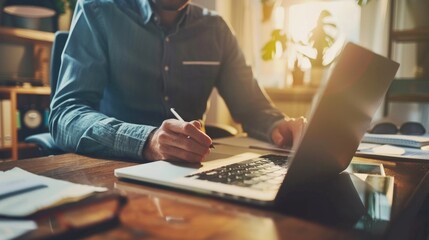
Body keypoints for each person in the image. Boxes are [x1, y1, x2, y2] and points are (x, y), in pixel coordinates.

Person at [49, 0, 306, 163]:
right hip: (114, 171)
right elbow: (64, 115)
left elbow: (252, 108)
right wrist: (146, 141)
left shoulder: (217, 29)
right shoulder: (97, 12)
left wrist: (277, 126)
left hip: (193, 171)